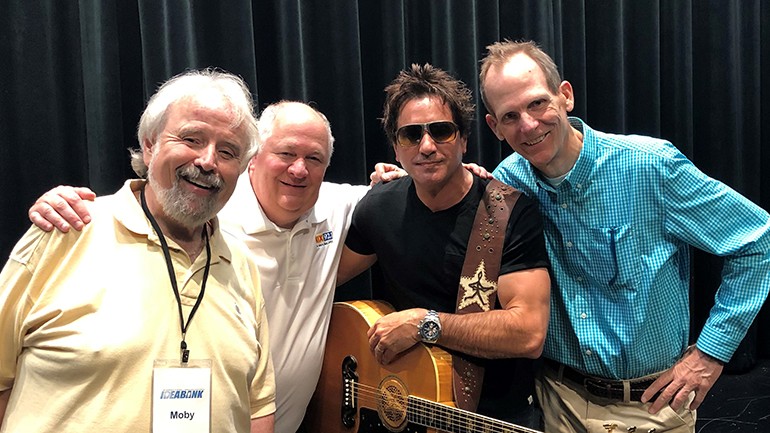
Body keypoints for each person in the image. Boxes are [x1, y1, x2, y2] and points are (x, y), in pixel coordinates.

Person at [479, 39, 770, 433]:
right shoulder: (507, 184)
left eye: (536, 104)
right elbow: (451, 192)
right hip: (555, 402)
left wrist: (710, 354)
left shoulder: (650, 167)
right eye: (510, 116)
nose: (528, 125)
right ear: (494, 126)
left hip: (650, 409)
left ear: (565, 96)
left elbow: (757, 240)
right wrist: (399, 183)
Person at [0, 69, 276, 432]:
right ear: (149, 144)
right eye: (192, 138)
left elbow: (258, 405)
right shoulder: (64, 232)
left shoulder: (240, 264)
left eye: (227, 152)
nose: (208, 161)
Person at [336, 63, 552, 429]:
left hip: (495, 416)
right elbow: (320, 281)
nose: (426, 146)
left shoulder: (510, 212)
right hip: (406, 409)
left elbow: (529, 332)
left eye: (441, 131)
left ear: (464, 140)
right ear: (395, 147)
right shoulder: (377, 207)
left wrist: (426, 323)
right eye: (410, 135)